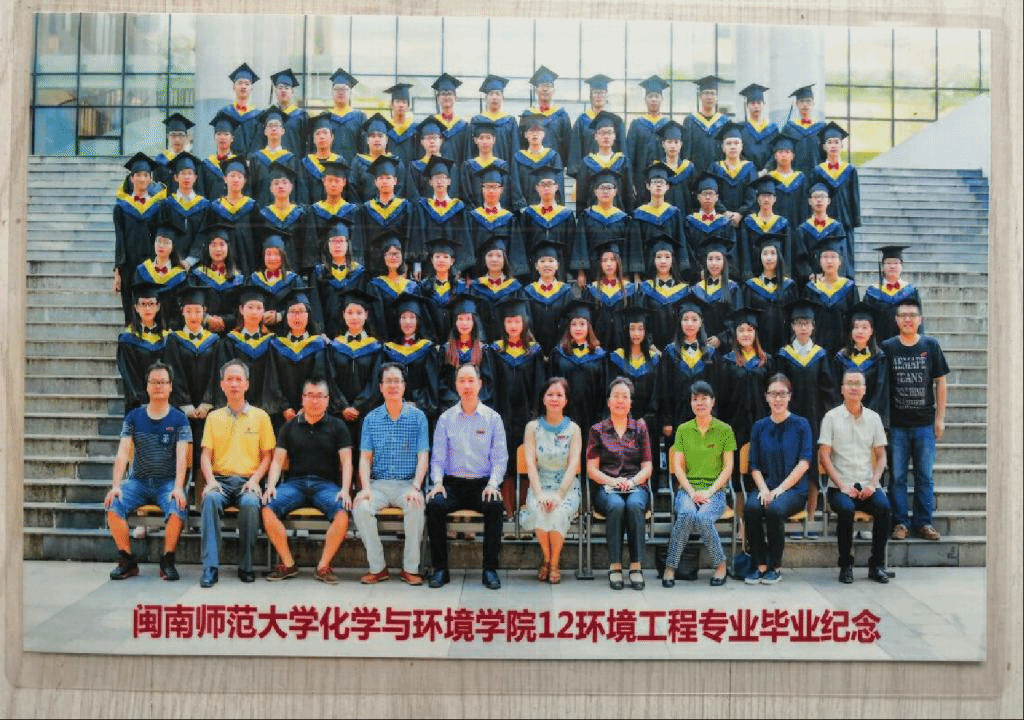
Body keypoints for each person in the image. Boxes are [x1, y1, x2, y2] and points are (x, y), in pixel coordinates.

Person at [104, 361, 190, 582]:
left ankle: (167, 560)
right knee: (113, 504)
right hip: (138, 482)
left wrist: (179, 488)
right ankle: (127, 561)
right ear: (147, 386)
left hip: (167, 482)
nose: (159, 386)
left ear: (170, 386)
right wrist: (115, 486)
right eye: (154, 382)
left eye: (163, 382)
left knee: (177, 506)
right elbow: (122, 453)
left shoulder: (179, 419)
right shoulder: (134, 417)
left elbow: (182, 457)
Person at [261, 377, 353, 583]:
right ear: (303, 398)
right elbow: (277, 462)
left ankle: (323, 567)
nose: (315, 400)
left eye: (320, 396)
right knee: (267, 507)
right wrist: (271, 486)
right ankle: (288, 564)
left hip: (326, 486)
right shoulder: (289, 427)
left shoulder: (338, 427)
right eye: (310, 395)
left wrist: (345, 490)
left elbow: (347, 462)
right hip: (295, 484)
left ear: (327, 400)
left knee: (342, 513)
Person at [426, 362, 509, 590]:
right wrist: (437, 483)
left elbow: (500, 458)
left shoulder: (492, 418)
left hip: (482, 485)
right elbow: (438, 458)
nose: (467, 386)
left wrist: (493, 484)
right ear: (456, 385)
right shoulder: (446, 419)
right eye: (462, 381)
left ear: (480, 384)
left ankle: (490, 569)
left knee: (494, 506)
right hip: (452, 484)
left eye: (471, 380)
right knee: (434, 505)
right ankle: (440, 569)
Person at [199, 359, 276, 587]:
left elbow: (268, 456)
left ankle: (246, 565)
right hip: (220, 481)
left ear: (247, 384)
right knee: (210, 499)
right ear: (222, 385)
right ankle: (210, 567)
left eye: (238, 379)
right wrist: (210, 481)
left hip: (247, 481)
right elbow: (205, 455)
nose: (234, 384)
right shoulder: (213, 417)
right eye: (229, 379)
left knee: (251, 503)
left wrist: (255, 480)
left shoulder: (261, 417)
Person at [353, 364, 430, 585]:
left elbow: (423, 456)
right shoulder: (371, 419)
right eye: (388, 381)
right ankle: (378, 568)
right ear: (380, 387)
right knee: (361, 507)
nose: (393, 385)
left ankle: (410, 569)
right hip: (378, 484)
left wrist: (416, 487)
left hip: (407, 484)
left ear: (404, 386)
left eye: (397, 381)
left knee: (415, 505)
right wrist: (365, 488)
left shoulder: (418, 418)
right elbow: (365, 458)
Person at [882, 297, 948, 542]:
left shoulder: (931, 345)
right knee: (897, 477)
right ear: (896, 320)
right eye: (903, 315)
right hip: (897, 425)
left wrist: (940, 419)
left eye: (912, 315)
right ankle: (900, 522)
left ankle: (924, 522)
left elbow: (941, 382)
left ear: (920, 320)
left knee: (925, 477)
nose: (908, 319)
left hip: (924, 424)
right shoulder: (888, 347)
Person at [819, 368, 892, 584]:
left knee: (884, 508)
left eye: (857, 383)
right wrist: (842, 485)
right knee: (846, 509)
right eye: (849, 383)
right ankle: (846, 565)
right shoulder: (831, 417)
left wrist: (873, 484)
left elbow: (881, 456)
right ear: (842, 389)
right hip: (840, 487)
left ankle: (876, 565)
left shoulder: (874, 418)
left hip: (867, 485)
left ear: (864, 389)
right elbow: (824, 456)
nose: (853, 387)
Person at [663, 380, 735, 587]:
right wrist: (692, 491)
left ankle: (720, 565)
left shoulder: (724, 430)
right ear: (690, 403)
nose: (700, 403)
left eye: (704, 398)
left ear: (713, 401)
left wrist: (709, 492)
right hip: (688, 490)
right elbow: (678, 467)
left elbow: (728, 468)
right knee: (686, 514)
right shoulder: (683, 430)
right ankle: (670, 567)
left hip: (715, 492)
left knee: (703, 518)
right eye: (695, 399)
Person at [776, 298, 838, 535]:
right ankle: (788, 514)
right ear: (792, 326)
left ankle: (810, 516)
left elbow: (829, 390)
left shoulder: (820, 355)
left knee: (810, 466)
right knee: (787, 463)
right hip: (787, 419)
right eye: (799, 323)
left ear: (813, 326)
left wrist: (827, 420)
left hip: (814, 418)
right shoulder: (784, 355)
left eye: (807, 323)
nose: (803, 327)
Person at [744, 373, 813, 585]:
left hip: (793, 490)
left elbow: (804, 463)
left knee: (774, 509)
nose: (777, 399)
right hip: (767, 485)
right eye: (773, 394)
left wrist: (779, 491)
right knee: (752, 508)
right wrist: (764, 490)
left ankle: (775, 565)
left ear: (790, 396)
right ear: (766, 397)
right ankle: (759, 563)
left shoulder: (801, 425)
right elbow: (754, 465)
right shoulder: (759, 426)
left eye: (782, 394)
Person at [586, 377, 654, 591]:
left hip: (636, 485)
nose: (620, 400)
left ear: (631, 403)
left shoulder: (640, 428)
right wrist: (614, 481)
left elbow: (647, 467)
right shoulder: (597, 430)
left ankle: (636, 566)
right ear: (608, 402)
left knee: (634, 505)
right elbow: (592, 469)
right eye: (616, 396)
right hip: (606, 486)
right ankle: (614, 565)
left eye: (625, 396)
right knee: (616, 505)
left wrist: (632, 481)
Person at [487, 298, 547, 517]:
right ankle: (507, 509)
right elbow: (491, 383)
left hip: (526, 416)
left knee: (526, 459)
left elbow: (540, 385)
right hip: (501, 415)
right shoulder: (495, 351)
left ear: (524, 323)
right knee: (504, 460)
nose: (513, 325)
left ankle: (524, 507)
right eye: (509, 321)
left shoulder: (534, 351)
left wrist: (536, 415)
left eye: (517, 321)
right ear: (503, 324)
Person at [521, 377, 582, 584]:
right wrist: (539, 494)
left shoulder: (574, 429)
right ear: (543, 399)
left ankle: (554, 562)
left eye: (559, 395)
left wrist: (558, 495)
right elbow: (530, 464)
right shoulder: (532, 428)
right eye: (550, 394)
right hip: (539, 484)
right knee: (540, 509)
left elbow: (573, 465)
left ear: (566, 400)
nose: (554, 399)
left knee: (557, 511)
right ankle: (547, 558)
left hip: (566, 487)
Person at [114, 152, 166, 324]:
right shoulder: (121, 207)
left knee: (151, 306)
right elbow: (119, 239)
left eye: (145, 175)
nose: (142, 179)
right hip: (129, 265)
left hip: (151, 263)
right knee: (130, 309)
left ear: (150, 179)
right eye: (138, 175)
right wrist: (118, 271)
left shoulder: (158, 206)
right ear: (131, 179)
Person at [811, 122, 861, 276]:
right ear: (824, 146)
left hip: (845, 220)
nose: (833, 145)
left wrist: (854, 220)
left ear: (842, 146)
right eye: (829, 142)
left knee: (845, 256)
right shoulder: (818, 171)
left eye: (836, 142)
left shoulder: (850, 170)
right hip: (824, 220)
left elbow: (854, 197)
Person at [743, 234, 799, 356]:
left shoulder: (789, 286)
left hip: (785, 343)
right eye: (765, 254)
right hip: (758, 345)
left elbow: (794, 317)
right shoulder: (751, 286)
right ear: (760, 257)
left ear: (779, 256)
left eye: (773, 253)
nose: (769, 258)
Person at [117, 283, 169, 413]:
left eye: (151, 303)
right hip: (138, 404)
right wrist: (143, 401)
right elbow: (129, 375)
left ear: (158, 307)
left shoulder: (168, 339)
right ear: (136, 308)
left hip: (165, 402)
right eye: (143, 304)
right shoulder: (127, 340)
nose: (147, 308)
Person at [634, 236, 691, 349]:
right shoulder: (645, 288)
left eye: (667, 256)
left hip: (679, 348)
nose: (663, 261)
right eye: (658, 257)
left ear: (673, 260)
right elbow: (641, 320)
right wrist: (649, 345)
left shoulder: (684, 290)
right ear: (653, 260)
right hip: (651, 349)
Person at [205, 157, 259, 274]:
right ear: (225, 179)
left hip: (247, 259)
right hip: (221, 259)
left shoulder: (252, 206)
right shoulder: (215, 207)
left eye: (240, 177)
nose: (236, 180)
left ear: (245, 181)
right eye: (232, 176)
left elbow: (257, 238)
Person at [574, 112, 634, 217]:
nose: (606, 137)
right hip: (593, 217)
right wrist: (581, 218)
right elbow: (581, 196)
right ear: (595, 136)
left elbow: (628, 194)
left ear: (614, 136)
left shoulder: (623, 162)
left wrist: (629, 217)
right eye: (602, 133)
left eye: (609, 133)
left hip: (618, 216)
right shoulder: (587, 162)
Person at [862, 244, 924, 344]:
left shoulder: (911, 291)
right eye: (888, 263)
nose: (892, 266)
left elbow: (918, 320)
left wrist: (920, 343)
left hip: (906, 343)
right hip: (879, 343)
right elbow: (866, 320)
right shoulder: (872, 293)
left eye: (896, 263)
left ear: (901, 266)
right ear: (883, 266)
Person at [190, 224, 245, 334]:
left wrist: (224, 321)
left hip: (231, 332)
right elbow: (190, 303)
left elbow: (241, 308)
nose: (218, 249)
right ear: (208, 247)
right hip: (201, 332)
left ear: (228, 247)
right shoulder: (197, 275)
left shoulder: (238, 279)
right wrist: (207, 318)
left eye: (222, 244)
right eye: (213, 245)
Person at [522, 240, 574, 356]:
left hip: (561, 349)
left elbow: (569, 321)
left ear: (557, 265)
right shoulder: (528, 292)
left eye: (551, 261)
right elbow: (526, 322)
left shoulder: (566, 291)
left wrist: (560, 346)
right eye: (542, 261)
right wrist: (534, 346)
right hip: (533, 350)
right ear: (536, 266)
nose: (546, 265)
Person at [160, 151, 210, 272]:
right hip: (171, 264)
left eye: (190, 173)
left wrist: (190, 260)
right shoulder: (167, 205)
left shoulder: (204, 205)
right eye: (182, 173)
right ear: (176, 177)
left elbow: (203, 234)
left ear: (195, 177)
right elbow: (164, 234)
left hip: (198, 265)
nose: (186, 177)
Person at [568, 74, 625, 178]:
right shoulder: (582, 121)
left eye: (602, 93)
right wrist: (578, 177)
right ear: (591, 95)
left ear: (606, 95)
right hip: (588, 173)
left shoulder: (616, 121)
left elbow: (622, 150)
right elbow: (576, 151)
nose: (599, 96)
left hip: (612, 174)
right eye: (596, 93)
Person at [625, 75, 671, 196]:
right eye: (650, 96)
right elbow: (629, 156)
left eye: (657, 96)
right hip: (640, 181)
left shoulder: (668, 125)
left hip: (663, 181)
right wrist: (631, 182)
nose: (653, 99)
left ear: (662, 99)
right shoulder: (636, 125)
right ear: (645, 99)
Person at [246, 107, 300, 208]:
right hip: (260, 211)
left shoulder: (291, 159)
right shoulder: (256, 158)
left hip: (286, 212)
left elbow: (297, 190)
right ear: (265, 131)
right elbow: (249, 189)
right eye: (270, 126)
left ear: (283, 131)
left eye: (277, 126)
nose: (274, 129)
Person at [510, 114, 565, 212]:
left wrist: (556, 204)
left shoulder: (553, 156)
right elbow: (515, 183)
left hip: (548, 207)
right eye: (531, 131)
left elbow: (558, 182)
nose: (535, 134)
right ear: (525, 135)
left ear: (544, 134)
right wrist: (521, 206)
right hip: (525, 209)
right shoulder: (518, 158)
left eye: (538, 131)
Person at [524, 66, 571, 167]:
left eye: (548, 86)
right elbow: (522, 144)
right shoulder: (527, 115)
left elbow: (567, 144)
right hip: (531, 166)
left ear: (553, 91)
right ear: (536, 90)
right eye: (541, 86)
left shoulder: (562, 115)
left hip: (555, 167)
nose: (545, 89)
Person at [682, 75, 729, 173]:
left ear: (717, 97)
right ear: (700, 96)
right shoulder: (690, 121)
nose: (709, 97)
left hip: (719, 174)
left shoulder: (725, 122)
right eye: (706, 93)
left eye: (713, 93)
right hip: (696, 174)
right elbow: (686, 152)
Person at [426, 73, 471, 170]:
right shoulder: (432, 124)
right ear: (438, 98)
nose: (446, 97)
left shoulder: (464, 126)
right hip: (436, 173)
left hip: (458, 172)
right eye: (443, 94)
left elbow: (467, 154)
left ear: (456, 98)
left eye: (450, 94)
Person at [470, 75, 518, 162]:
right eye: (491, 94)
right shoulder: (477, 121)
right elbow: (470, 150)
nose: (494, 97)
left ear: (503, 97)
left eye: (498, 94)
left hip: (504, 167)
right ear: (486, 98)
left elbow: (515, 149)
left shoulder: (510, 121)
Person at [780, 84, 825, 177]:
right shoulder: (789, 128)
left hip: (816, 176)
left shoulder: (821, 128)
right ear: (796, 104)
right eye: (801, 101)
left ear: (813, 103)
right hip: (794, 176)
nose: (805, 104)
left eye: (808, 101)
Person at [220, 63, 263, 156]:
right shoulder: (225, 113)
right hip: (228, 161)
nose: (243, 86)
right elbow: (221, 140)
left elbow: (258, 143)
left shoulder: (258, 116)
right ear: (234, 87)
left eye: (247, 84)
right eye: (240, 83)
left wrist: (250, 160)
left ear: (251, 88)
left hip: (251, 162)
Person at [325, 68, 366, 162]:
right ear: (332, 92)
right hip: (330, 167)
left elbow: (364, 147)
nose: (340, 92)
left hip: (353, 167)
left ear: (350, 92)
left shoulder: (360, 117)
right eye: (337, 89)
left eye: (344, 89)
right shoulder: (325, 117)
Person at [266, 68, 309, 156]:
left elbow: (307, 144)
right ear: (275, 91)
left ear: (292, 92)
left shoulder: (301, 116)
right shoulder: (268, 115)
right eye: (280, 88)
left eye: (287, 88)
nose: (283, 90)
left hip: (295, 161)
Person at [737, 83, 779, 171]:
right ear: (747, 105)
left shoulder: (773, 129)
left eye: (759, 103)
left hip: (769, 173)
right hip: (747, 172)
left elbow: (776, 152)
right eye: (752, 103)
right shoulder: (741, 128)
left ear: (764, 104)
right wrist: (750, 169)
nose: (756, 106)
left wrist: (767, 169)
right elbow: (739, 153)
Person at [199, 111, 240, 200]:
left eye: (226, 134)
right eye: (219, 134)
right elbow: (201, 193)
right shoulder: (206, 165)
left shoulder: (239, 164)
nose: (222, 137)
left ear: (232, 138)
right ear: (214, 138)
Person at [383, 83, 419, 167]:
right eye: (397, 101)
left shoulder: (415, 129)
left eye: (404, 102)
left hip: (410, 171)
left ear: (408, 106)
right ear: (391, 104)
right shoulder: (385, 128)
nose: (401, 105)